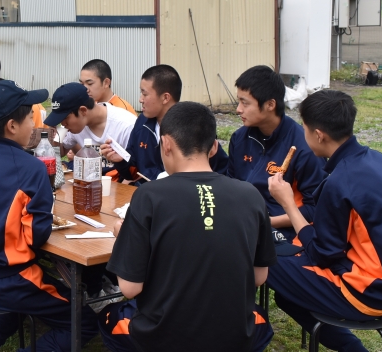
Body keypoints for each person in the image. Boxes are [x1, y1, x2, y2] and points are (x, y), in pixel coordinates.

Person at [99, 102, 276, 352]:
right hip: (236, 337)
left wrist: (123, 237)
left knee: (108, 317)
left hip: (162, 338)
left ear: (166, 144)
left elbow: (130, 288)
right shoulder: (250, 195)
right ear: (214, 147)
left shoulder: (149, 195)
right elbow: (259, 277)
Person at [0, 80, 99, 352]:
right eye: (30, 118)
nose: (34, 124)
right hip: (9, 279)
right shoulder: (31, 168)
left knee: (25, 296)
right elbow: (35, 236)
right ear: (12, 126)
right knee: (84, 321)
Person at [267, 90, 382, 352]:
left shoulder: (339, 182)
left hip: (366, 291)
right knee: (286, 295)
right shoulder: (378, 160)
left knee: (265, 259)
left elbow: (321, 254)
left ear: (318, 135)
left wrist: (288, 203)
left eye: (304, 128)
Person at [227, 65, 326, 241]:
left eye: (245, 103)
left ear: (270, 104)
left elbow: (315, 209)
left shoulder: (303, 147)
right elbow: (231, 187)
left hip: (285, 234)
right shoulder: (239, 138)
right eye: (238, 102)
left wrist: (267, 222)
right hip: (243, 224)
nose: (238, 109)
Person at [100, 65, 228, 184]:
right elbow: (132, 173)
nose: (140, 99)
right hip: (149, 194)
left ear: (165, 98)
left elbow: (221, 171)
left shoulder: (194, 125)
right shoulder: (142, 123)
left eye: (145, 94)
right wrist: (121, 161)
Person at [45, 82, 136, 155]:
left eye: (65, 118)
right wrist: (56, 138)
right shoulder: (70, 125)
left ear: (83, 111)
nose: (63, 124)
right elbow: (60, 153)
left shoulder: (126, 125)